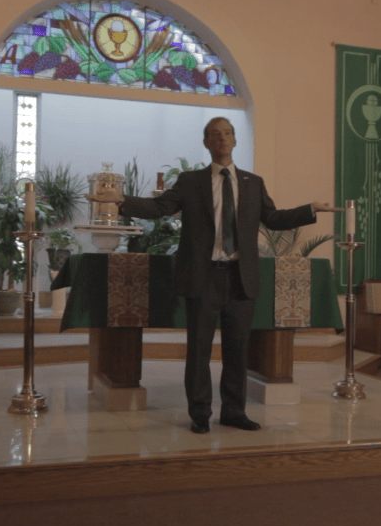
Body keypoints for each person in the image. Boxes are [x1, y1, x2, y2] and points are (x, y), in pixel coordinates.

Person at [87, 117, 342, 434]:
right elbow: (161, 206)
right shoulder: (191, 181)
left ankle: (234, 412)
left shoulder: (252, 182)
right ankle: (200, 414)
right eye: (215, 134)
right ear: (207, 142)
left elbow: (273, 218)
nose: (222, 138)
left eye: (228, 133)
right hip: (203, 277)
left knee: (238, 350)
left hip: (240, 278)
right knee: (199, 352)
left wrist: (310, 209)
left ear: (234, 140)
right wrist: (122, 202)